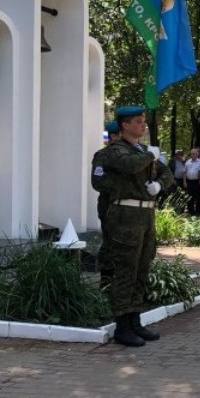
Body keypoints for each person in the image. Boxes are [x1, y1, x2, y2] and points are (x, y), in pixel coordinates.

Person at [97, 106, 175, 347]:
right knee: (125, 270)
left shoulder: (143, 151)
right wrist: (150, 156)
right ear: (125, 125)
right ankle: (122, 326)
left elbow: (167, 173)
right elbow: (128, 166)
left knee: (142, 268)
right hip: (125, 215)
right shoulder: (113, 151)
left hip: (146, 214)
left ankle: (135, 321)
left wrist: (159, 185)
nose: (144, 125)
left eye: (144, 121)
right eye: (138, 122)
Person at [90, 121, 121, 290]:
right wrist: (122, 187)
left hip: (126, 207)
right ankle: (106, 281)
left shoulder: (132, 154)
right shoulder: (102, 156)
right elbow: (97, 181)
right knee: (110, 241)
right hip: (109, 205)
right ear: (114, 136)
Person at [184, 148, 200, 216]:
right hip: (189, 182)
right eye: (191, 154)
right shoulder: (187, 162)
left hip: (197, 182)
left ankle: (198, 211)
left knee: (198, 197)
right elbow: (184, 172)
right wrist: (184, 182)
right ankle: (191, 211)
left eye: (194, 154)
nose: (192, 155)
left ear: (197, 154)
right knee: (190, 197)